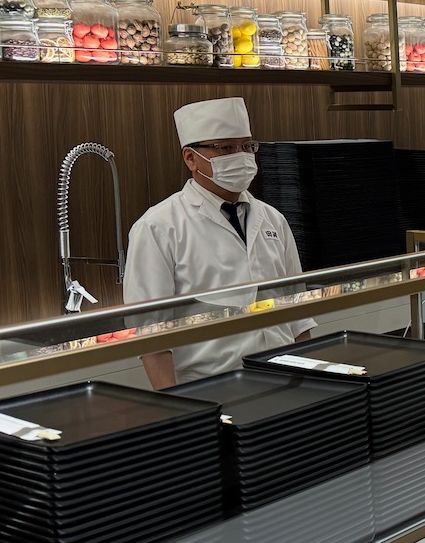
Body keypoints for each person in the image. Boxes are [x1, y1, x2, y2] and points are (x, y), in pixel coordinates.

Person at [123, 97, 313, 389]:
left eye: (247, 146)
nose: (240, 156)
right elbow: (151, 333)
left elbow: (297, 310)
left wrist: (310, 380)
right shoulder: (158, 227)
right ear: (190, 158)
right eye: (225, 148)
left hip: (284, 376)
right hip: (209, 387)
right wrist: (176, 411)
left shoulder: (272, 219)